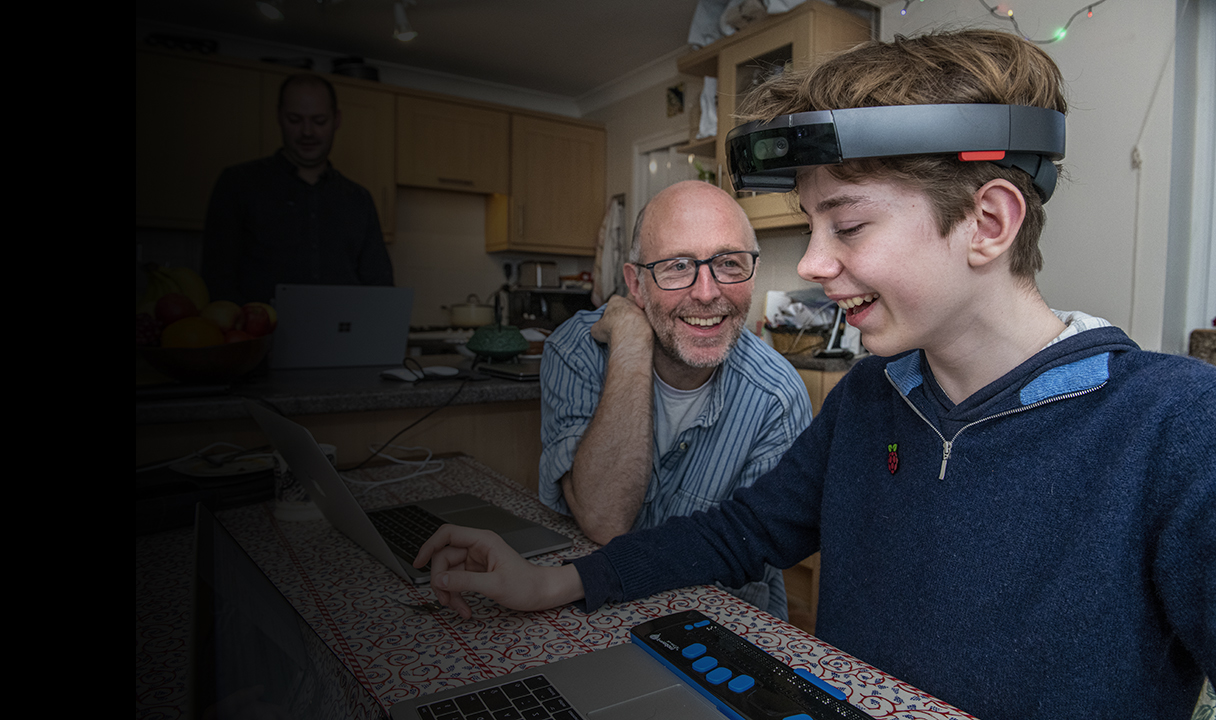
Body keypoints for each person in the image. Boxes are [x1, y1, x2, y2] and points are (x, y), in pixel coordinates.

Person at [413, 29, 1212, 720]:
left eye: (850, 224)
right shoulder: (874, 396)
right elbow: (743, 531)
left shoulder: (1176, 427)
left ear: (989, 222)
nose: (817, 263)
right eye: (809, 226)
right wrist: (552, 583)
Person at [537, 180, 809, 621]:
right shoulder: (576, 351)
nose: (706, 292)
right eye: (678, 266)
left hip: (714, 628)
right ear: (636, 285)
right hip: (582, 612)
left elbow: (741, 559)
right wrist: (629, 341)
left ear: (752, 274)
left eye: (729, 263)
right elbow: (603, 520)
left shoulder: (777, 397)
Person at [200, 74, 393, 305]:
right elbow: (217, 279)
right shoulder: (238, 184)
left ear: (337, 120)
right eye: (295, 120)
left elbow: (380, 286)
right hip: (260, 337)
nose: (308, 132)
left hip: (342, 338)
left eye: (319, 121)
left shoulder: (358, 199)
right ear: (279, 117)